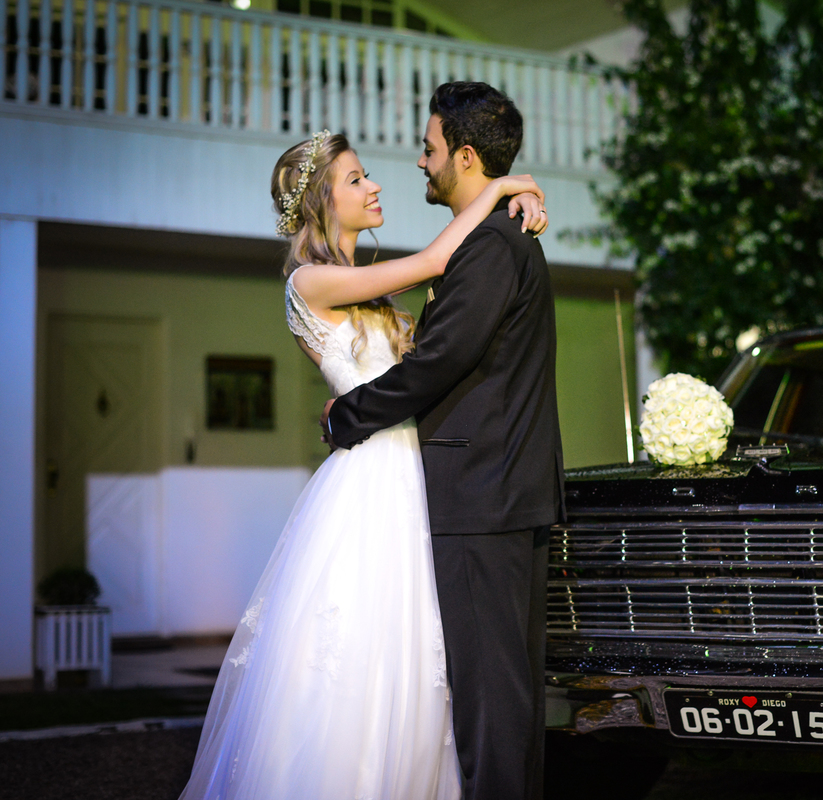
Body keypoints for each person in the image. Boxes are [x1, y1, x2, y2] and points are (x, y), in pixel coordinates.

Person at [177, 129, 548, 800]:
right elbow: (439, 257)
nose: (373, 185)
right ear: (323, 202)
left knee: (417, 663)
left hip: (416, 481)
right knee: (359, 662)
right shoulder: (309, 282)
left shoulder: (370, 297)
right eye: (355, 179)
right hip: (370, 491)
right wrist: (502, 187)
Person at [321, 82, 564, 800]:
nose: (419, 162)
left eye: (429, 150)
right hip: (505, 492)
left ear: (463, 156)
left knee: (492, 707)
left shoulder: (489, 246)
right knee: (506, 704)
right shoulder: (502, 235)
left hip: (482, 497)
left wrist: (348, 416)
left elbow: (439, 362)